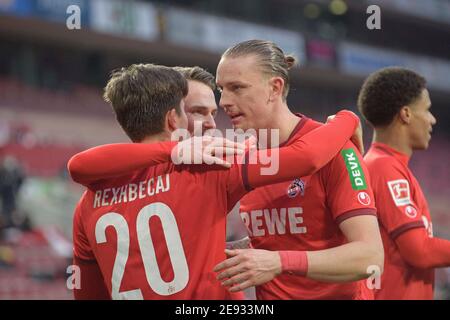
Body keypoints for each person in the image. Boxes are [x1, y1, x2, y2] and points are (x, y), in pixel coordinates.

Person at [69, 63, 361, 299]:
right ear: (173, 119)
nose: (211, 123)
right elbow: (307, 156)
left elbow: (88, 294)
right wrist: (348, 119)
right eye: (193, 111)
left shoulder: (87, 203)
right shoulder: (210, 170)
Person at [212, 40, 383, 300]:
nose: (224, 101)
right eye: (221, 89)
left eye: (237, 88)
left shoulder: (336, 149)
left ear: (275, 88)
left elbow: (370, 257)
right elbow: (283, 239)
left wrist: (279, 261)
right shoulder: (241, 157)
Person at [359, 67, 450, 300]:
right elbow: (419, 250)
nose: (432, 119)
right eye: (427, 110)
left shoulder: (387, 166)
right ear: (406, 114)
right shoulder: (384, 168)